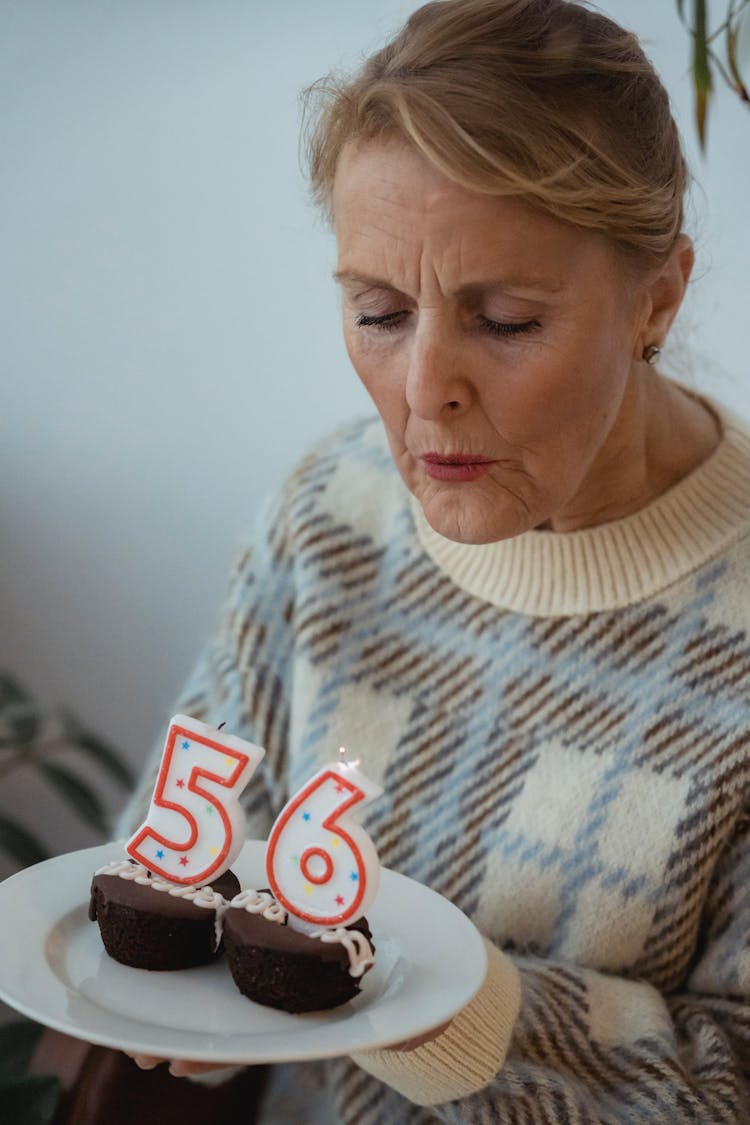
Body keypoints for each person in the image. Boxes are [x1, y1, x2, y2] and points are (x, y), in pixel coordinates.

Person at [121, 0, 750, 1120]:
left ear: (657, 296)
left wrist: (439, 1007)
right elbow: (186, 851)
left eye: (504, 321)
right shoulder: (330, 513)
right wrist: (190, 997)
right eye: (377, 313)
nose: (422, 393)